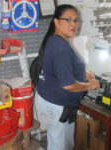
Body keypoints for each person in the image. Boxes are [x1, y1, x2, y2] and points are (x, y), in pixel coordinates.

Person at [33, 4, 100, 150]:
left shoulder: (55, 39)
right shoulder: (60, 47)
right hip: (57, 106)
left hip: (48, 99)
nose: (73, 24)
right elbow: (68, 85)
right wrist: (90, 85)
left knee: (56, 140)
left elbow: (56, 67)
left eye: (76, 20)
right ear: (56, 22)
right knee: (61, 146)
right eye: (68, 20)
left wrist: (82, 73)